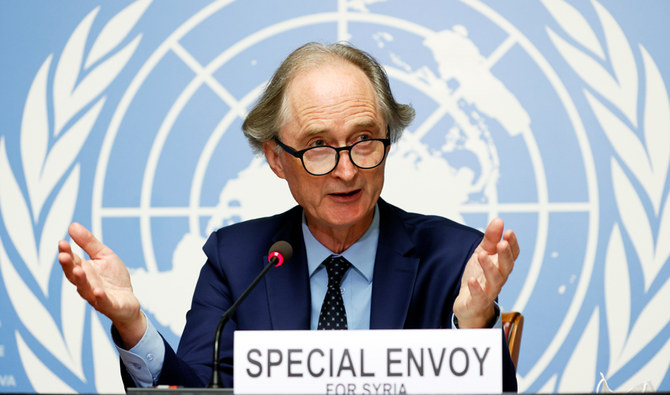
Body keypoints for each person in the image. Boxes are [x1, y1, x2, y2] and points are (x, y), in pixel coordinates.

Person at [58, 42, 520, 391]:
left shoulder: (454, 256)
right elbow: (200, 391)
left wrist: (473, 327)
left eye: (364, 139)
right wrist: (133, 325)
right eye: (319, 145)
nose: (346, 169)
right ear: (277, 159)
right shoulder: (237, 260)